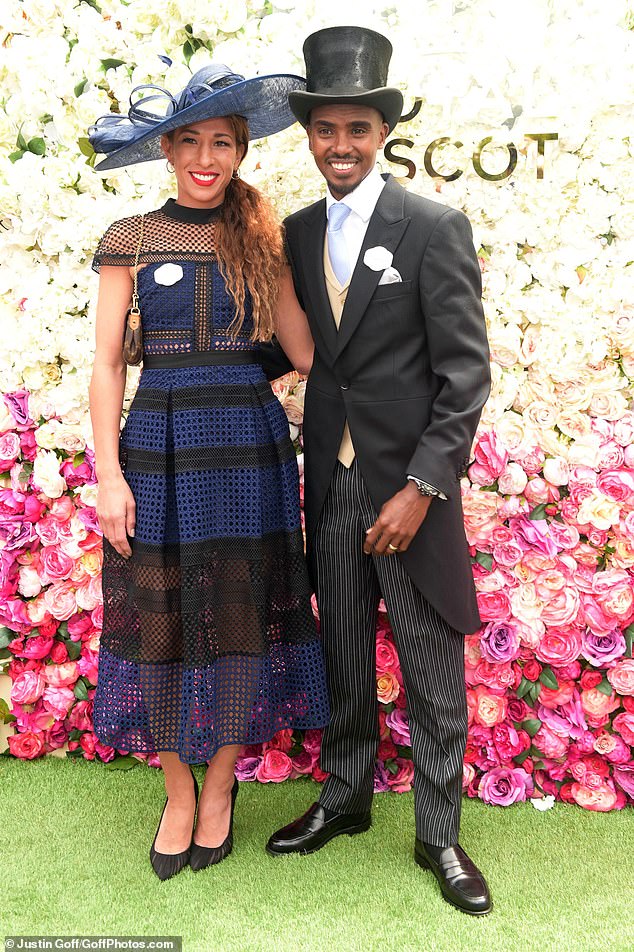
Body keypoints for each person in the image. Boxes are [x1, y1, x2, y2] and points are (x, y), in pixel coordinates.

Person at [266, 27, 493, 916]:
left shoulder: (432, 226)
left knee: (434, 667)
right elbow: (308, 350)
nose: (341, 146)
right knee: (345, 654)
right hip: (332, 477)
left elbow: (465, 373)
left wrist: (422, 486)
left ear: (381, 132)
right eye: (326, 131)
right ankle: (346, 797)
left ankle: (439, 832)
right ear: (312, 136)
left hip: (412, 489)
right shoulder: (297, 230)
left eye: (356, 129)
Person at [87, 64, 330, 881]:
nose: (204, 156)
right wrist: (108, 475)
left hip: (245, 449)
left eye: (220, 142)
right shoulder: (129, 236)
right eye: (189, 140)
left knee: (236, 611)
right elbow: (107, 366)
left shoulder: (264, 240)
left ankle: (220, 788)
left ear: (239, 150)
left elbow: (302, 354)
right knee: (158, 612)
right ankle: (178, 794)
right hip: (155, 444)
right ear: (166, 147)